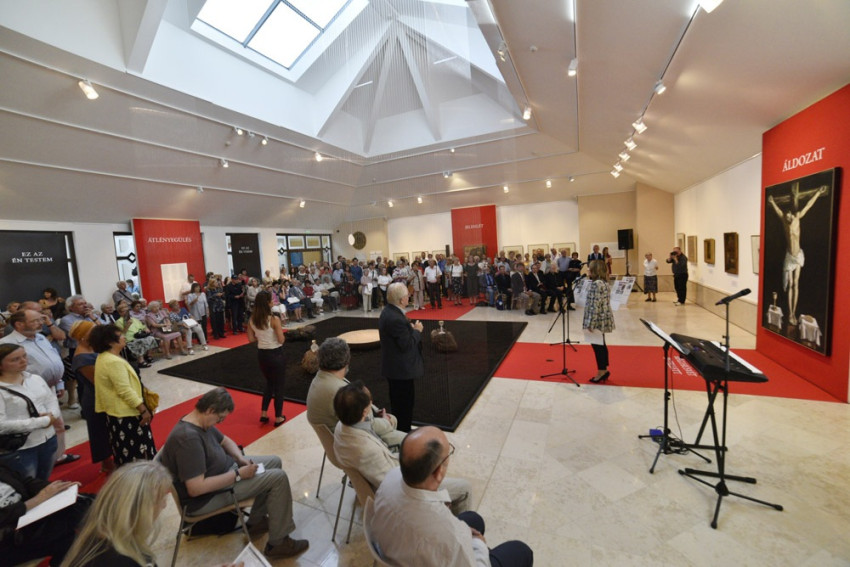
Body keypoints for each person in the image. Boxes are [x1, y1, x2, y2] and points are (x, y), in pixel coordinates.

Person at [158, 388, 309, 560]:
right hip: (207, 497)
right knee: (278, 478)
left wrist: (240, 459)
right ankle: (278, 543)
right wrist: (238, 475)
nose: (219, 422)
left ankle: (256, 522)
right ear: (210, 410)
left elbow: (224, 440)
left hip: (225, 472)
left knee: (274, 461)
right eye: (220, 418)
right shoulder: (188, 439)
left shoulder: (197, 420)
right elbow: (196, 488)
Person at [370, 426, 533, 567]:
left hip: (396, 549)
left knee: (474, 518)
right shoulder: (450, 538)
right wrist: (479, 544)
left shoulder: (390, 477)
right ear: (438, 472)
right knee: (521, 551)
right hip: (430, 546)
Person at [333, 382, 470, 512]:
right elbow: (395, 484)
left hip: (389, 468)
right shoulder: (366, 451)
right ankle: (454, 525)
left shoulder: (342, 426)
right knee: (465, 489)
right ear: (364, 411)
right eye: (370, 402)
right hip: (402, 493)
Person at [60, 461, 213, 567]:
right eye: (161, 498)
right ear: (142, 507)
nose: (164, 505)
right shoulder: (125, 559)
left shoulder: (94, 537)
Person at [0, 310, 79, 466]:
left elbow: (53, 358)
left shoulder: (41, 337)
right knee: (33, 429)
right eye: (35, 321)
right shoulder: (6, 343)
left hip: (45, 387)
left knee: (58, 425)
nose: (41, 323)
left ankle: (57, 457)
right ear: (19, 324)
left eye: (40, 320)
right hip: (21, 392)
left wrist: (59, 382)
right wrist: (44, 420)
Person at [306, 338, 404, 447]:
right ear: (347, 361)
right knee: (411, 438)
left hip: (340, 442)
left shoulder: (319, 379)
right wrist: (387, 421)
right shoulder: (341, 392)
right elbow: (367, 424)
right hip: (360, 444)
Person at [91, 324, 156, 466]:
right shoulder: (113, 361)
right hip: (126, 413)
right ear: (109, 342)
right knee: (138, 454)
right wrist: (143, 409)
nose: (124, 337)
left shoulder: (104, 357)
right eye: (120, 335)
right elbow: (124, 390)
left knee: (125, 452)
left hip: (116, 412)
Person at [0, 461, 87, 566]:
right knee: (68, 534)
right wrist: (37, 499)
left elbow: (25, 482)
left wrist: (56, 488)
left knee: (82, 508)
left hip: (27, 519)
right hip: (8, 537)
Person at [767, 183, 828, 326]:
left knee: (796, 284)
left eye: (789, 215)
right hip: (789, 256)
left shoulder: (797, 218)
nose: (788, 217)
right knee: (790, 285)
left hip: (798, 255)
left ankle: (793, 312)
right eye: (787, 215)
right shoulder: (784, 221)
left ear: (792, 214)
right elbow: (778, 211)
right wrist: (772, 202)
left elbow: (808, 206)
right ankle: (791, 314)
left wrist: (818, 192)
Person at [0, 344, 61, 480]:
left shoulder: (35, 379)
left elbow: (51, 400)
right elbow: (2, 425)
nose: (23, 361)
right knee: (27, 485)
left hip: (48, 439)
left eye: (24, 356)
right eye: (15, 359)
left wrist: (53, 415)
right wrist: (44, 421)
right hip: (21, 447)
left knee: (44, 480)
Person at [69, 321, 114, 474]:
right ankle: (107, 465)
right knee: (100, 432)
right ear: (82, 336)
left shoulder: (94, 348)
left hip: (104, 395)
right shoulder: (82, 358)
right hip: (95, 398)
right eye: (93, 330)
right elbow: (99, 381)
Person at [379, 283, 424, 432]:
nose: (408, 297)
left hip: (394, 367)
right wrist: (417, 331)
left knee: (399, 403)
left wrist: (408, 329)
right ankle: (404, 433)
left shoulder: (389, 311)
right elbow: (407, 344)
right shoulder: (395, 318)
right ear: (401, 300)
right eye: (406, 295)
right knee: (404, 404)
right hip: (401, 370)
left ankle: (402, 429)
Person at [246, 291, 287, 427]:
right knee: (279, 386)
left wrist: (262, 337)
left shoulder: (252, 319)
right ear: (268, 303)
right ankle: (278, 417)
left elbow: (251, 339)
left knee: (269, 383)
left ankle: (264, 413)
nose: (273, 301)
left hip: (262, 355)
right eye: (271, 300)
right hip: (276, 354)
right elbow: (281, 340)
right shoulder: (274, 319)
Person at [583, 260, 615, 383]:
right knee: (601, 343)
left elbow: (594, 305)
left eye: (589, 268)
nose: (588, 270)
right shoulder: (604, 282)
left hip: (596, 319)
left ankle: (601, 371)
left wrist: (591, 323)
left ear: (594, 270)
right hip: (603, 317)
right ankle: (604, 369)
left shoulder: (596, 284)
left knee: (597, 346)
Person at [114, 302, 157, 368]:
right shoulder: (118, 322)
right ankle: (141, 361)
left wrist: (145, 328)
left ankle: (149, 356)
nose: (126, 313)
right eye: (124, 311)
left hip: (139, 335)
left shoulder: (133, 319)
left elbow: (142, 326)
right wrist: (127, 326)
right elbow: (121, 334)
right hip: (129, 339)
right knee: (139, 342)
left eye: (127, 311)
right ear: (120, 313)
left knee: (151, 338)